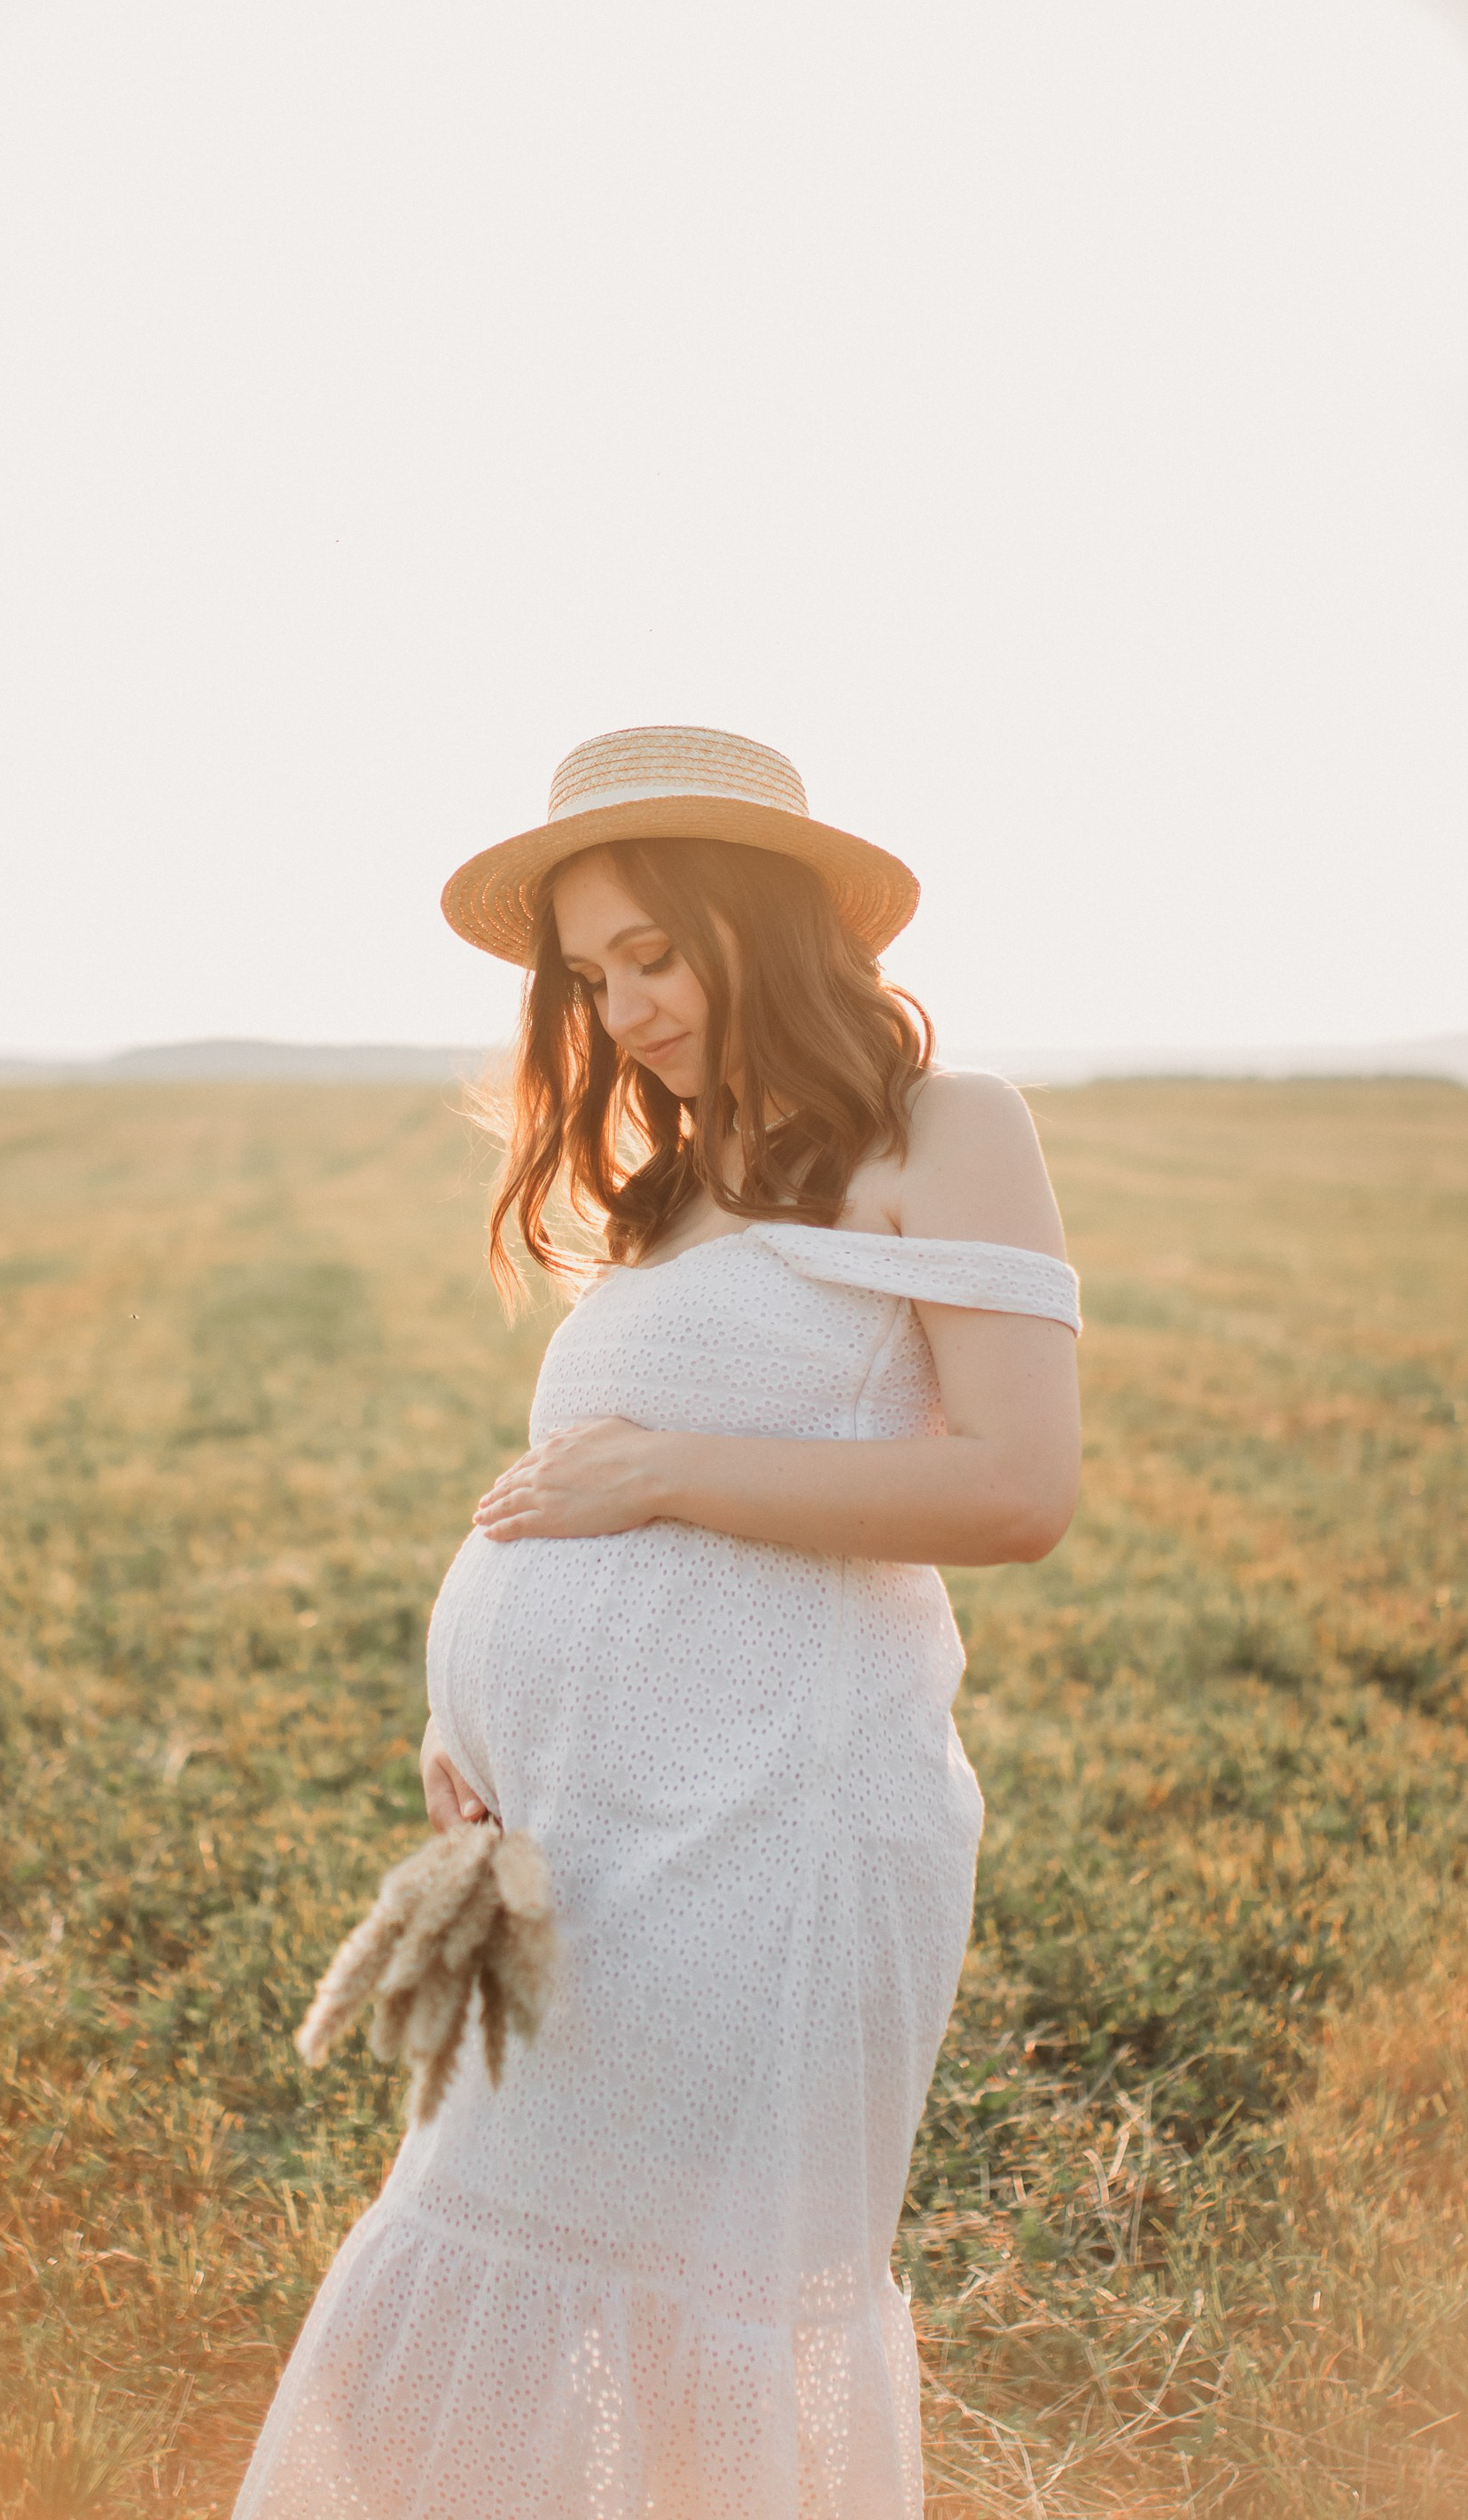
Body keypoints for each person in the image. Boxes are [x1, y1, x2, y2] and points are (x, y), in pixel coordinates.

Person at [233, 726, 1081, 2520]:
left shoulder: (950, 1128)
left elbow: (1014, 1489)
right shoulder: (670, 1187)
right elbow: (580, 1492)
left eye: (655, 954)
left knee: (653, 2293)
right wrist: (481, 1726)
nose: (620, 1009)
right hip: (585, 1844)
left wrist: (666, 1475)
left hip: (776, 1833)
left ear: (764, 925)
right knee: (510, 2247)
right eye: (588, 973)